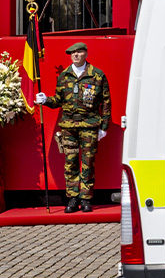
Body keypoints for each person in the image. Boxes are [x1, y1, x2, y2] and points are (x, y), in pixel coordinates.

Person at [34, 42, 111, 213]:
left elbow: (106, 102)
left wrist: (104, 127)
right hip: (69, 126)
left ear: (86, 53)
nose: (75, 55)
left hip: (89, 125)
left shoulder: (97, 75)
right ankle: (72, 198)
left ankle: (86, 199)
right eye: (72, 53)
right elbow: (59, 100)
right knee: (70, 163)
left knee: (88, 162)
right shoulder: (64, 76)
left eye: (79, 52)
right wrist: (46, 100)